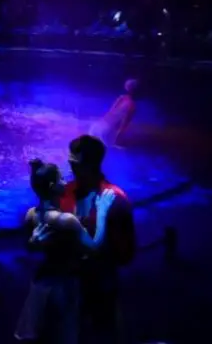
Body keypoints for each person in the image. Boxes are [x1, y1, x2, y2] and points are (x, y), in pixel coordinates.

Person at [16, 159, 116, 343]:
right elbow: (94, 247)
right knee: (65, 333)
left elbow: (29, 246)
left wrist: (32, 243)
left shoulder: (30, 215)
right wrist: (102, 212)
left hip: (42, 282)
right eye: (61, 179)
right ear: (53, 186)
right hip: (64, 284)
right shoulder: (66, 220)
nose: (65, 182)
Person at [59, 135, 137, 343]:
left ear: (92, 164)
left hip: (101, 287)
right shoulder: (64, 194)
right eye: (70, 163)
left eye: (75, 164)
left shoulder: (116, 199)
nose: (71, 168)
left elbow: (126, 253)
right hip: (68, 287)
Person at [89, 79, 139, 148]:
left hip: (96, 127)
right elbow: (123, 125)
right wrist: (117, 140)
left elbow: (110, 113)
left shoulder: (121, 98)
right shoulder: (132, 105)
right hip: (107, 132)